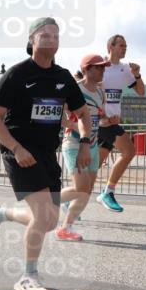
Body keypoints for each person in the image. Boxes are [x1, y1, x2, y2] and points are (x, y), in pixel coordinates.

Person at [0, 17, 91, 290]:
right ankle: (28, 276)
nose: (52, 39)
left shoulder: (63, 78)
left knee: (49, 221)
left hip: (47, 154)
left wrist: (86, 141)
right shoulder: (17, 75)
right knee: (43, 215)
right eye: (45, 35)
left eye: (56, 35)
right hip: (19, 152)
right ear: (31, 41)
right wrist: (16, 148)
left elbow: (84, 114)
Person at [55, 54, 108, 242]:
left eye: (104, 67)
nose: (102, 70)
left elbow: (98, 116)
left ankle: (66, 228)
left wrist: (107, 119)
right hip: (75, 144)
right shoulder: (74, 90)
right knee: (81, 187)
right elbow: (60, 118)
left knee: (87, 189)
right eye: (98, 67)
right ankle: (45, 203)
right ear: (86, 69)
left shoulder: (101, 92)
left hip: (92, 144)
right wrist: (78, 127)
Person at [96, 34, 144, 212]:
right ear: (111, 47)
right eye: (121, 45)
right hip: (103, 122)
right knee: (129, 151)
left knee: (94, 167)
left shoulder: (125, 69)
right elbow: (81, 85)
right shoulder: (99, 65)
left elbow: (141, 92)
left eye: (126, 46)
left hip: (112, 120)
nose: (125, 48)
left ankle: (73, 196)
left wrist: (137, 75)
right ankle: (107, 192)